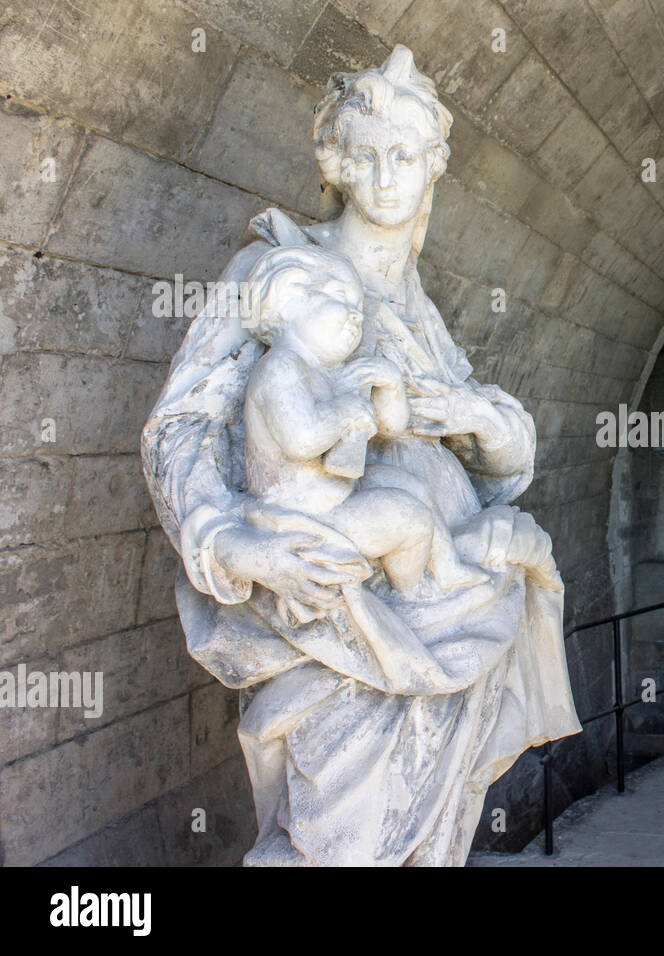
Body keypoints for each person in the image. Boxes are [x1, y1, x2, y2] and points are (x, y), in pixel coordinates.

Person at [140, 45, 580, 866]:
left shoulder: (419, 309)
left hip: (451, 614)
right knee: (333, 841)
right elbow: (182, 427)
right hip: (330, 604)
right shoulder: (277, 275)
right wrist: (229, 540)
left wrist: (482, 422)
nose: (385, 177)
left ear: (431, 171)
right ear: (336, 164)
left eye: (405, 157)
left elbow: (493, 455)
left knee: (428, 835)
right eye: (367, 155)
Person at [240, 243, 486, 622]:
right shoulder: (280, 370)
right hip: (299, 513)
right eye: (342, 300)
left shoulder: (330, 372)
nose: (356, 316)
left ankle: (446, 567)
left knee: (412, 486)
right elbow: (301, 440)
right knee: (409, 518)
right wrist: (344, 410)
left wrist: (389, 387)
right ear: (289, 301)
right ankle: (411, 597)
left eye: (359, 307)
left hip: (335, 496)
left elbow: (391, 428)